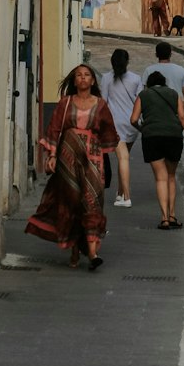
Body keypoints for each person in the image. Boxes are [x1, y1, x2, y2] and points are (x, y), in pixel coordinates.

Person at [25, 63, 119, 270]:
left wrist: (110, 156)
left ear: (93, 81)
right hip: (68, 157)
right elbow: (55, 129)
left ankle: (93, 253)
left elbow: (108, 132)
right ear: (74, 80)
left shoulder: (101, 105)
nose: (83, 78)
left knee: (92, 201)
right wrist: (52, 155)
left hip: (92, 158)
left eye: (87, 75)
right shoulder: (65, 103)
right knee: (72, 201)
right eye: (79, 75)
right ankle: (76, 247)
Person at [131, 70, 184, 229]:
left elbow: (133, 119)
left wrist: (142, 129)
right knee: (171, 177)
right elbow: (182, 117)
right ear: (164, 83)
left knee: (161, 178)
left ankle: (164, 219)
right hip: (173, 136)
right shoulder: (174, 94)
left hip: (152, 137)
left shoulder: (143, 95)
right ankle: (173, 215)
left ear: (150, 84)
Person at [99, 48, 143, 207]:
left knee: (122, 158)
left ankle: (127, 198)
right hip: (132, 124)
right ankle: (120, 193)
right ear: (127, 61)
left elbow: (103, 102)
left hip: (115, 124)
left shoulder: (106, 78)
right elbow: (140, 101)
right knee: (123, 158)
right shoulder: (136, 79)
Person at [142, 41, 184, 123]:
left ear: (156, 55)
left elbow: (145, 95)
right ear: (170, 54)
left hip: (155, 115)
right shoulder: (181, 70)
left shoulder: (149, 71)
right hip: (176, 114)